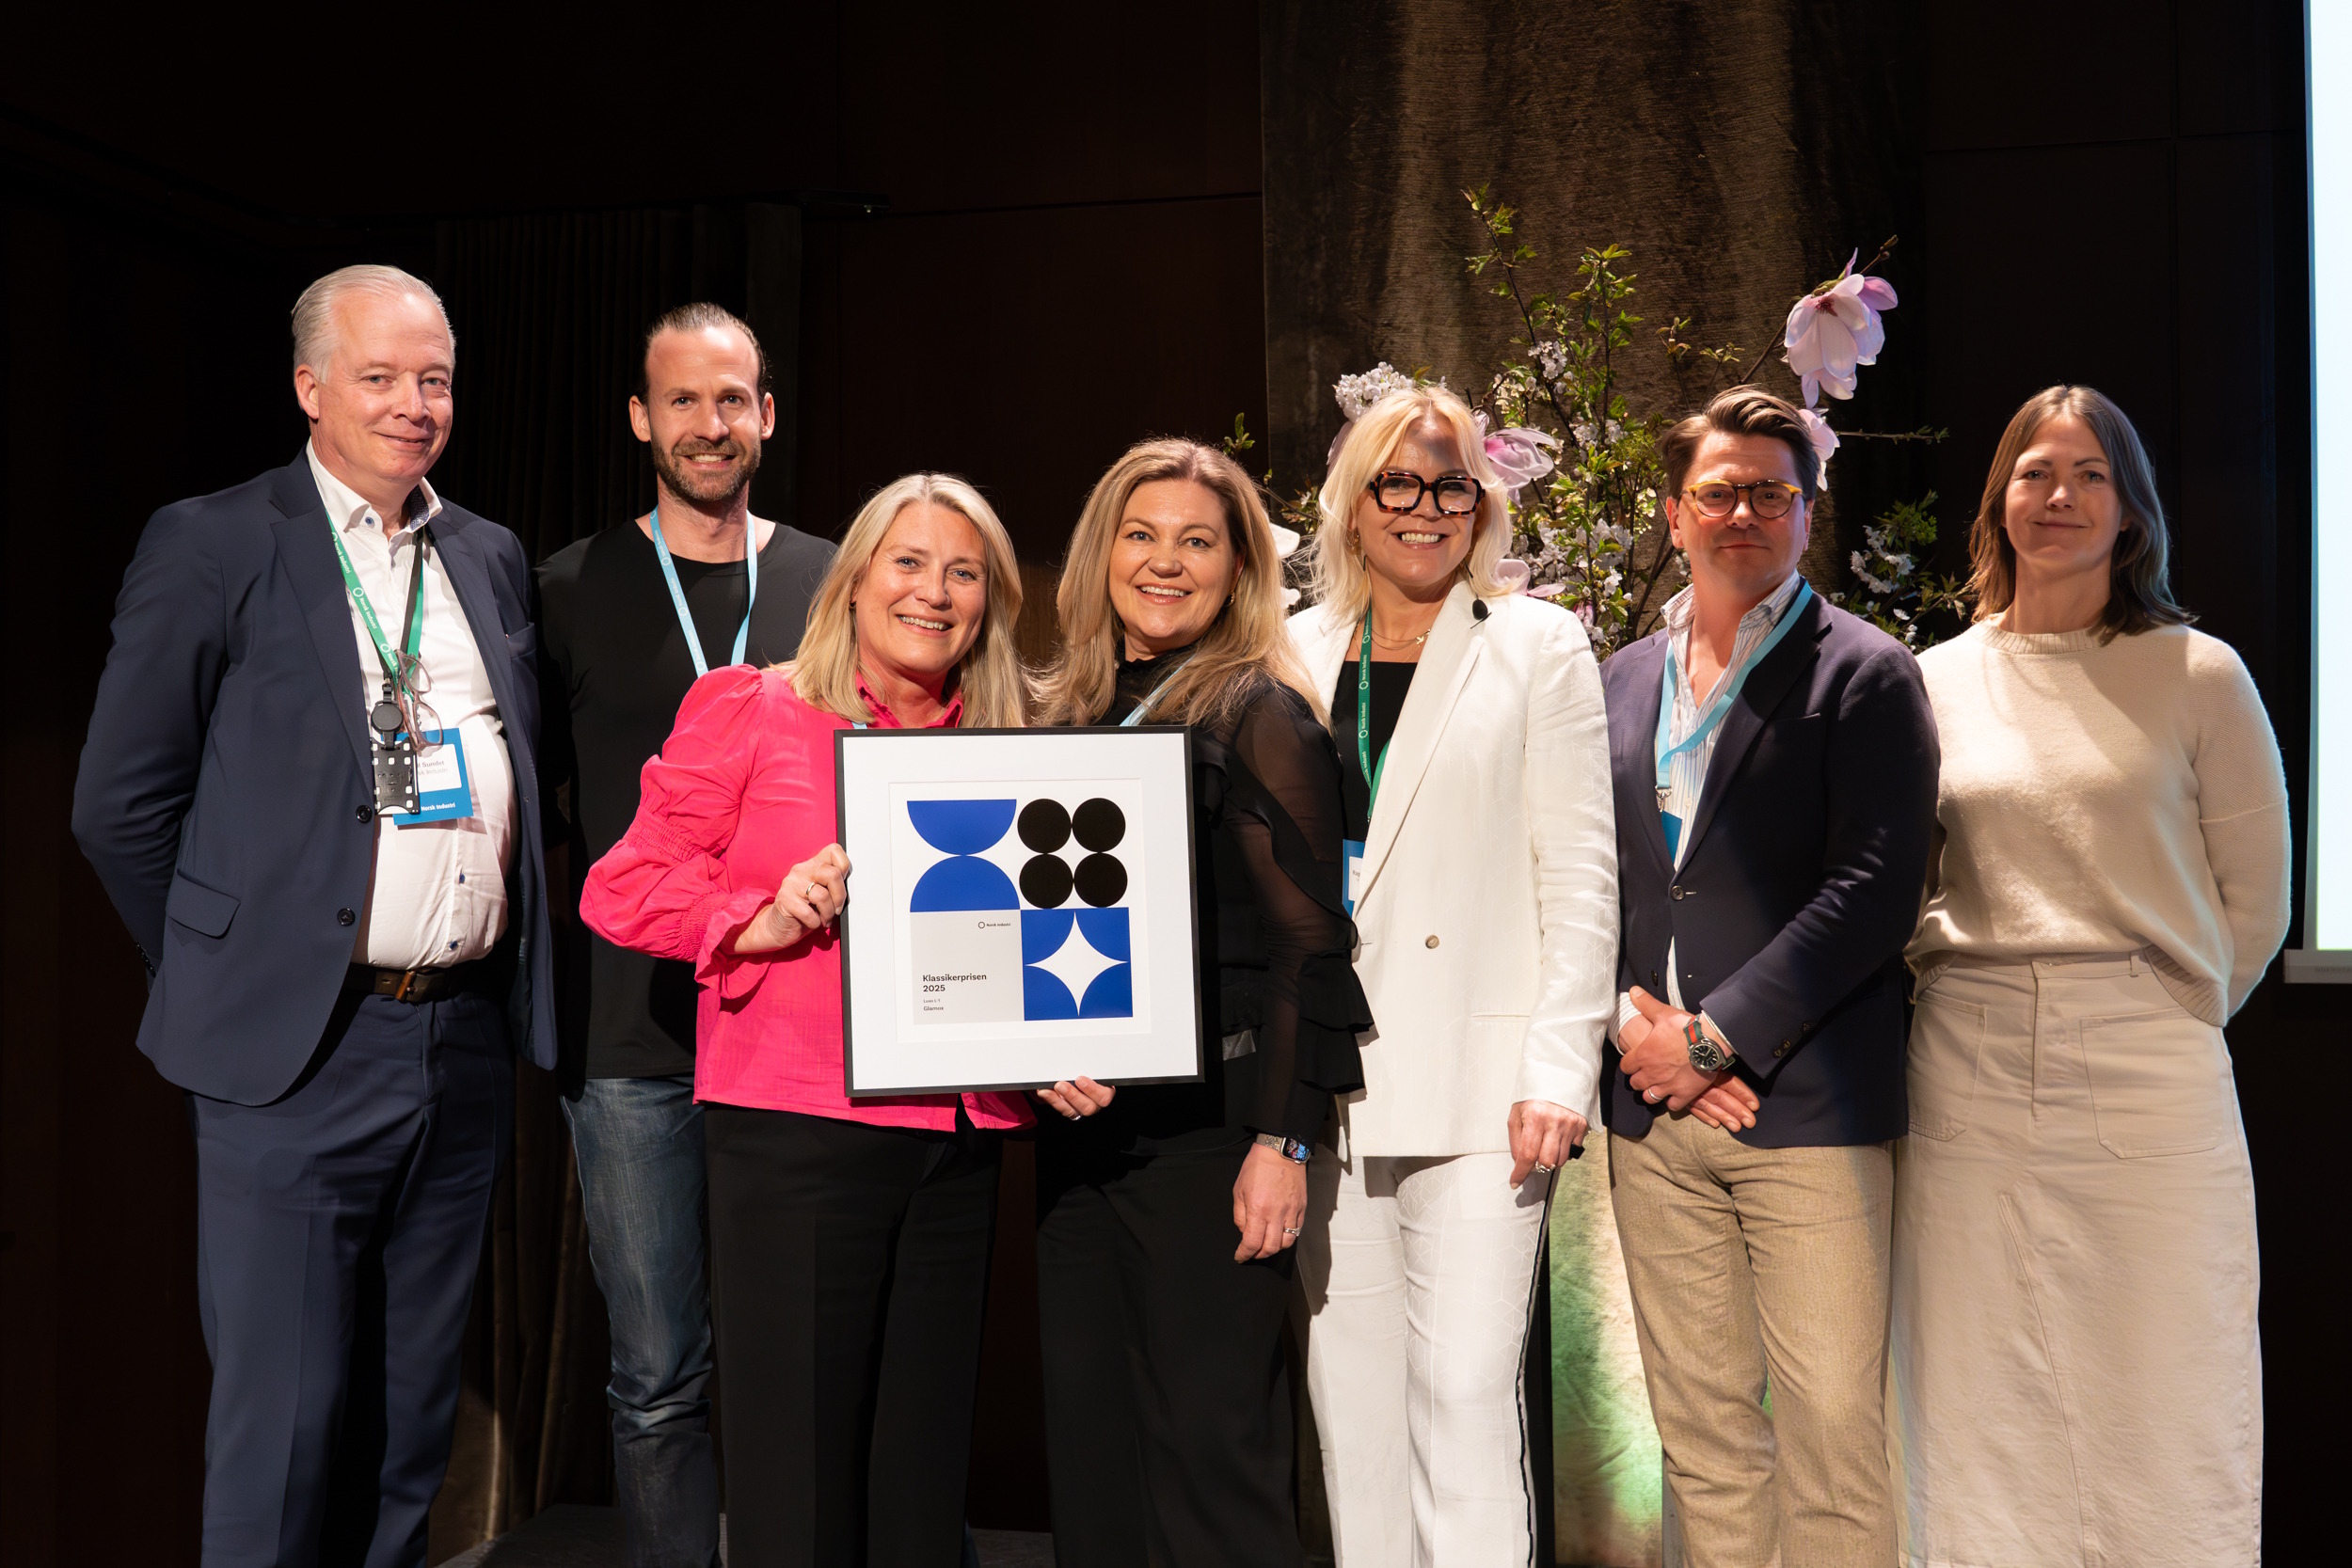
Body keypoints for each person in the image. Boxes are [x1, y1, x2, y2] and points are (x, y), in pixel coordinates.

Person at [72, 264, 556, 1567]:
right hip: (296, 1053)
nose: (413, 404)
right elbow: (119, 803)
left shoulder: (487, 554)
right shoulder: (216, 541)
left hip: (459, 1045)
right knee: (284, 1431)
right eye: (380, 376)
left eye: (434, 378)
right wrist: (232, 965)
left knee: (408, 1436)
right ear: (309, 387)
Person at [580, 473, 1040, 1568]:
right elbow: (623, 886)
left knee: (920, 1485)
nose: (934, 591)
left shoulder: (1013, 742)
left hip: (957, 1142)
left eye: (963, 571)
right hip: (796, 1139)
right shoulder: (753, 706)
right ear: (856, 579)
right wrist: (758, 917)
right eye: (909, 562)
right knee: (799, 1486)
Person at [1892, 386, 2286, 1567]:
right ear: (1998, 502)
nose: (2057, 496)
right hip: (1965, 1055)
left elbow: (2255, 902)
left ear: (2130, 512)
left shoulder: (2197, 672)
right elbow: (1901, 882)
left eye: (2087, 475)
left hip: (2144, 1058)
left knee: (2164, 1375)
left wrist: (2165, 1008)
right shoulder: (1931, 679)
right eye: (2033, 472)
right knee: (1971, 1386)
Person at [1597, 386, 1937, 1568]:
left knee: (1834, 1437)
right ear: (1674, 513)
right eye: (1717, 492)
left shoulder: (1867, 672)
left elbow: (1874, 892)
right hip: (1649, 1110)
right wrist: (1634, 1026)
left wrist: (1714, 1038)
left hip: (1806, 1111)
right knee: (1700, 1440)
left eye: (1771, 494)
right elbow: (1586, 874)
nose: (1743, 512)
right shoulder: (1620, 678)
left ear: (1807, 512)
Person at [1284, 385, 1618, 1565]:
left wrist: (1559, 1070)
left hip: (1487, 1087)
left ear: (1482, 504)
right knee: (1353, 1418)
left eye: (1451, 485)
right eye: (1399, 482)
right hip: (1328, 1080)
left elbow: (1579, 874)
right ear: (1353, 500)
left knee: (1466, 1398)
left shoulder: (1537, 642)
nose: (1424, 508)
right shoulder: (1294, 643)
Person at [1028, 438, 1371, 1568]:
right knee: (1097, 1458)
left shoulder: (1259, 712)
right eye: (1140, 535)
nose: (1164, 561)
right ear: (1102, 552)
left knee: (1212, 1461)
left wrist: (1283, 1140)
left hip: (1213, 1139)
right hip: (1081, 1139)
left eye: (1196, 540)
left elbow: (1310, 945)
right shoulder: (1064, 711)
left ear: (1239, 567)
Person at [534, 303, 832, 1568]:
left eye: (732, 399)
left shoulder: (833, 582)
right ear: (641, 419)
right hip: (631, 1037)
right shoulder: (566, 587)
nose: (710, 425)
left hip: (799, 1032)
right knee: (656, 1376)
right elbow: (541, 800)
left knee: (801, 1357)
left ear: (766, 413)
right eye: (683, 401)